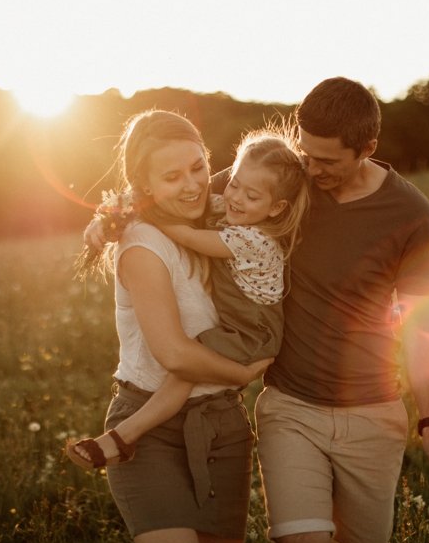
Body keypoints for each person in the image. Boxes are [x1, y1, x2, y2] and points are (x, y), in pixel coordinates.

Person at [85, 79, 429, 543]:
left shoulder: (409, 213)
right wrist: (110, 218)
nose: (311, 168)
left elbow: (420, 323)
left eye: (326, 160)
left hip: (372, 408)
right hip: (291, 406)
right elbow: (182, 186)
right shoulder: (286, 176)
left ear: (367, 149)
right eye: (305, 153)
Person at [73, 109, 274, 543]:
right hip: (150, 428)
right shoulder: (144, 245)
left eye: (198, 167)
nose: (192, 185)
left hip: (223, 424)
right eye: (172, 177)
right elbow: (175, 354)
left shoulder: (222, 213)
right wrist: (244, 370)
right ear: (145, 187)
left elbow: (281, 182)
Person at [65, 125, 312, 471]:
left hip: (253, 331)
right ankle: (123, 437)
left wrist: (146, 215)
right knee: (185, 366)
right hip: (241, 326)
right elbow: (175, 197)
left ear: (276, 208)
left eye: (252, 196)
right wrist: (112, 214)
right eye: (235, 184)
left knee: (185, 368)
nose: (236, 198)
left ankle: (124, 437)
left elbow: (183, 232)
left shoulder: (253, 240)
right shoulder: (232, 208)